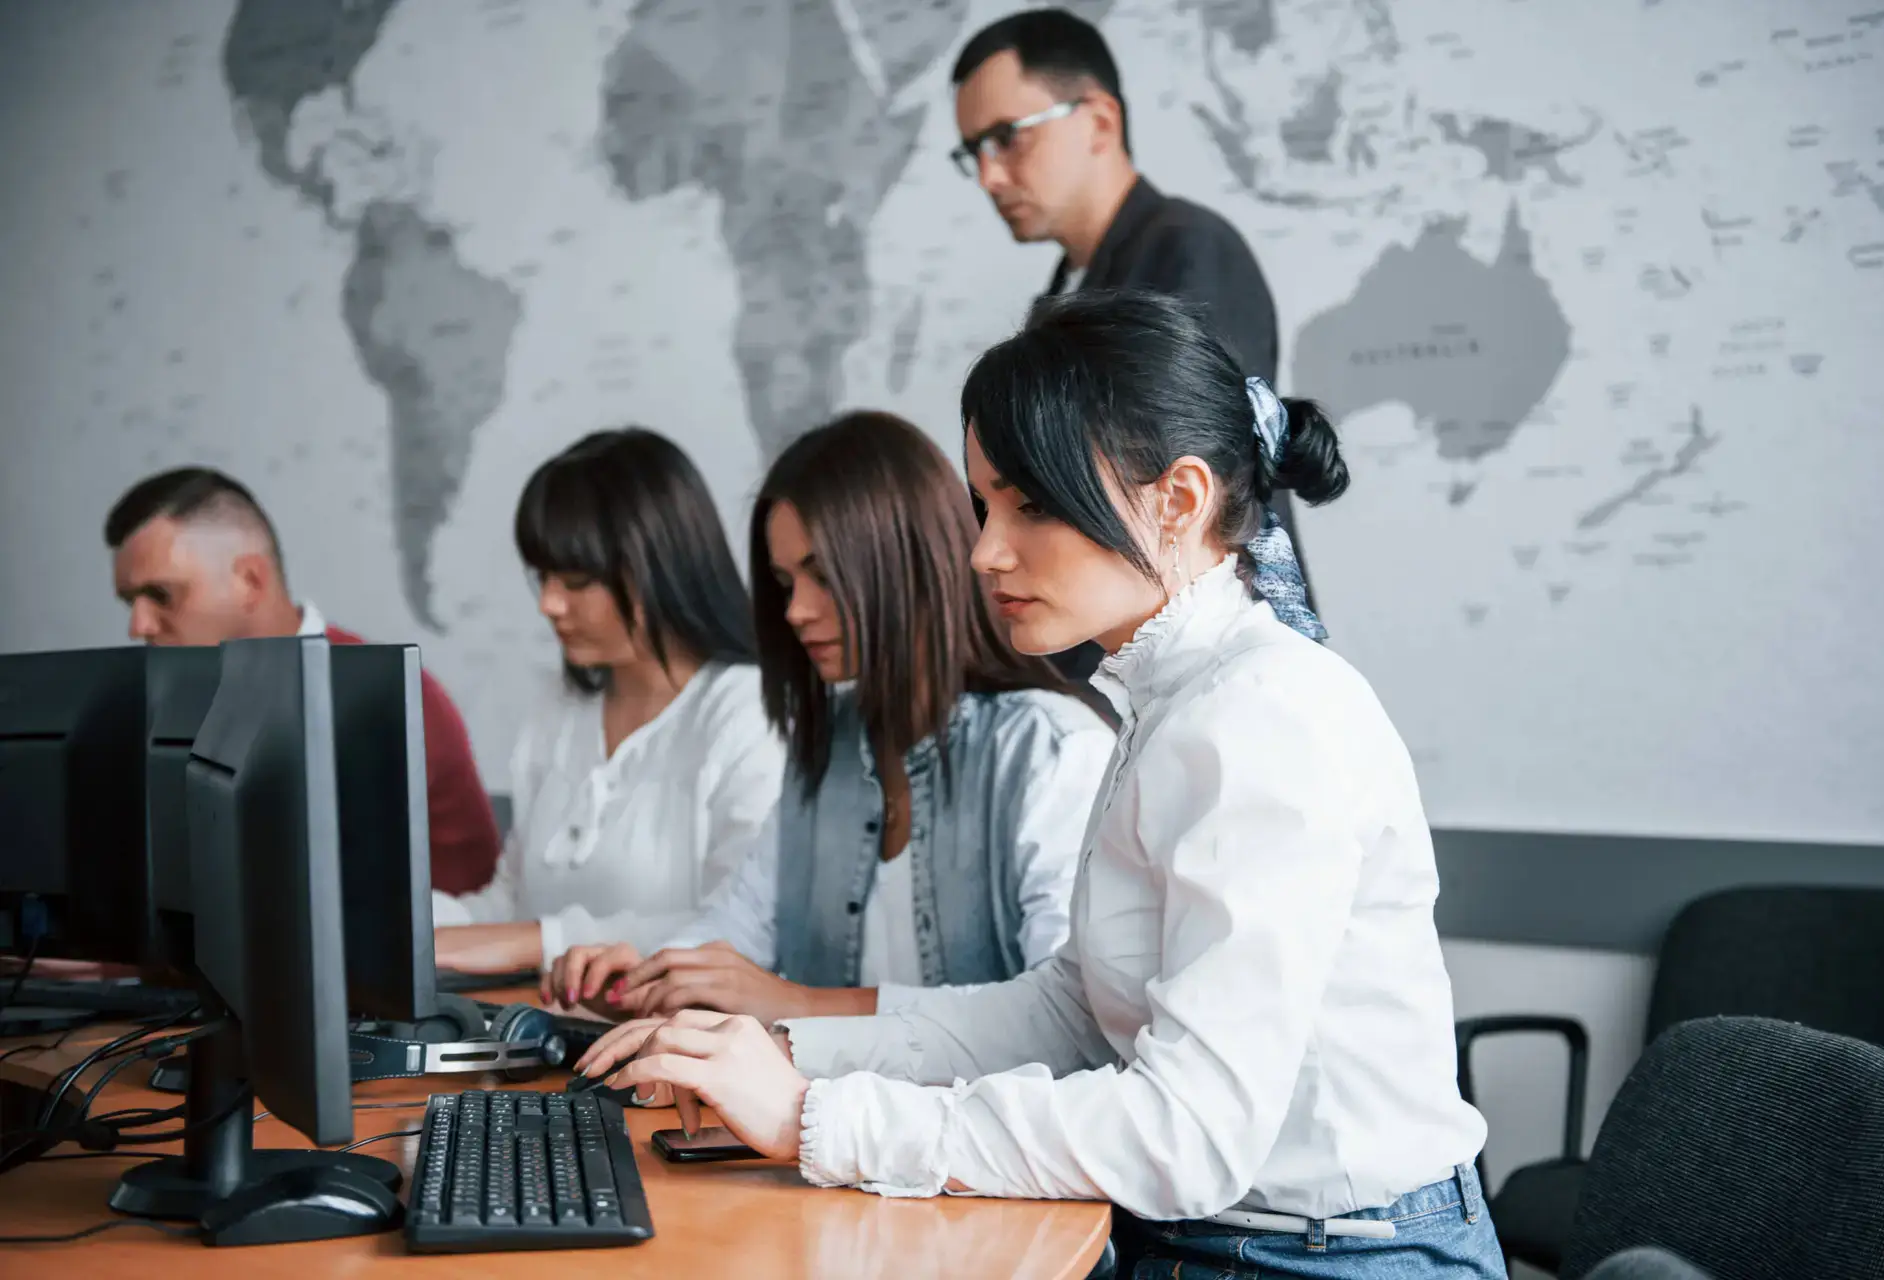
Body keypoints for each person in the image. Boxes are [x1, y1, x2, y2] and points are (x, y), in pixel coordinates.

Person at [576, 294, 1501, 1279]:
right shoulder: (1171, 697)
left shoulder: (1262, 717)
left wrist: (818, 1115)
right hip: (1212, 1242)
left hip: (1326, 1260)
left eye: (1031, 504)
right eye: (986, 506)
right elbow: (1069, 1009)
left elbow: (1187, 1133)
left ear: (1178, 502)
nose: (983, 550)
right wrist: (786, 1046)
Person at [544, 411, 1113, 1024]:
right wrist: (649, 978)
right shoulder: (829, 747)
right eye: (785, 583)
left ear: (907, 564)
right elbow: (737, 926)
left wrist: (802, 1006)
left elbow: (1064, 1019)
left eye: (822, 576)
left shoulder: (1052, 752)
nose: (796, 611)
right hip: (822, 1116)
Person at [949, 8, 1314, 679]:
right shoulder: (1064, 293)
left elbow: (1206, 489)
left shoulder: (1189, 250)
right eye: (972, 151)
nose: (988, 176)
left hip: (1210, 656)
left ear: (1100, 121)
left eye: (1006, 138)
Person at [432, 429, 786, 976]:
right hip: (543, 1031)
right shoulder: (563, 704)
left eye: (575, 580)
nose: (550, 603)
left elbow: (739, 929)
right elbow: (510, 903)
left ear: (659, 567)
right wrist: (403, 925)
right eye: (543, 577)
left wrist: (540, 942)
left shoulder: (746, 710)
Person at [105, 466, 499, 895]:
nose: (139, 625)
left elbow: (309, 892)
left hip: (429, 952)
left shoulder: (381, 695)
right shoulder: (180, 698)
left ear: (251, 581)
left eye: (162, 595)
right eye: (130, 602)